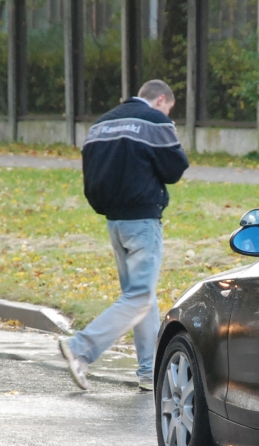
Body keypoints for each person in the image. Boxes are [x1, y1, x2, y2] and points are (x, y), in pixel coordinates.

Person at [59, 80, 189, 390]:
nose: (167, 113)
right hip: (142, 221)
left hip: (114, 222)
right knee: (139, 297)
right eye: (168, 109)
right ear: (160, 100)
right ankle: (80, 348)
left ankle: (149, 372)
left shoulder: (103, 122)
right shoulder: (155, 120)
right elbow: (174, 170)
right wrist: (168, 129)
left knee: (140, 298)